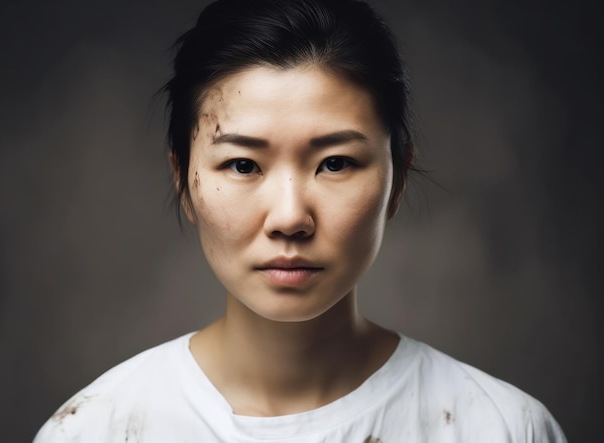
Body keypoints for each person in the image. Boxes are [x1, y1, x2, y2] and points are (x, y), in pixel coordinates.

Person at [34, 0, 567, 441]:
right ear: (185, 180)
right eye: (243, 165)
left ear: (397, 180)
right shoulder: (97, 428)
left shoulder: (501, 428)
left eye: (335, 163)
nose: (290, 217)